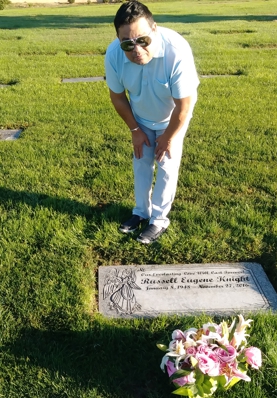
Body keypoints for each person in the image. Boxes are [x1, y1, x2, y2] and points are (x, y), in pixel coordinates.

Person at [105, 1, 199, 244]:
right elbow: (117, 97)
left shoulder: (176, 51)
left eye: (142, 40)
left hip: (173, 117)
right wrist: (135, 130)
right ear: (118, 40)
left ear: (154, 29)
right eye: (127, 43)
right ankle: (140, 212)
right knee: (141, 161)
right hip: (141, 117)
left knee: (166, 164)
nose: (136, 49)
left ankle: (158, 219)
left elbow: (184, 106)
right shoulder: (114, 54)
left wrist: (167, 137)